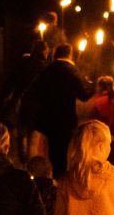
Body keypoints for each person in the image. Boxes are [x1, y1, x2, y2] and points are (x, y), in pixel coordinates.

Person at [27, 43, 93, 177]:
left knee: (52, 151)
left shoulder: (47, 70)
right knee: (62, 154)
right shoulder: (72, 71)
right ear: (70, 55)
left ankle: (50, 179)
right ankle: (59, 182)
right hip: (64, 120)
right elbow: (84, 95)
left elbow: (33, 92)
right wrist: (92, 85)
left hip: (47, 119)